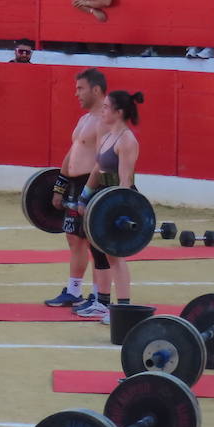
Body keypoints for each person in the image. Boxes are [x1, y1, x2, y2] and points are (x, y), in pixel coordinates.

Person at [70, 89, 142, 322]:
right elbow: (98, 169)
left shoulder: (127, 140)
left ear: (119, 112)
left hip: (118, 201)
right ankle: (103, 303)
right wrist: (84, 197)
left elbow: (125, 181)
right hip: (102, 198)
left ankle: (122, 309)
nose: (102, 111)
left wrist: (118, 209)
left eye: (106, 107)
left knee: (116, 257)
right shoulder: (108, 135)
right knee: (102, 253)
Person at [43, 67, 105, 308]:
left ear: (96, 90)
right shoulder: (84, 119)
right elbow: (73, 152)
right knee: (73, 239)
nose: (76, 93)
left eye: (81, 88)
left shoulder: (103, 121)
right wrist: (60, 185)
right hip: (74, 185)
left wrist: (88, 193)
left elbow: (103, 161)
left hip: (91, 186)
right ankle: (73, 290)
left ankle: (99, 296)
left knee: (95, 243)